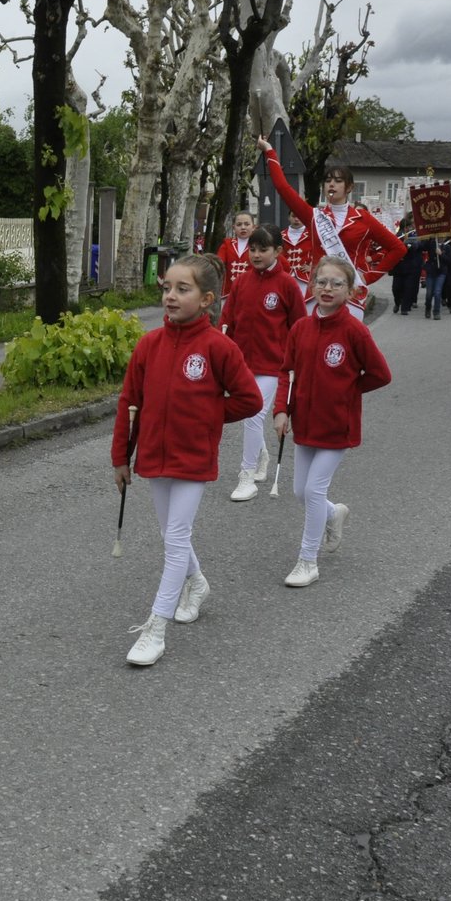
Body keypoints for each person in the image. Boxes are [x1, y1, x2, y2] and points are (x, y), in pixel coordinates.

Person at [112, 255, 262, 667]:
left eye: (183, 289)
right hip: (153, 457)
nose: (171, 296)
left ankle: (155, 629)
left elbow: (250, 399)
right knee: (170, 536)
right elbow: (129, 402)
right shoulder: (149, 345)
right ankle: (196, 584)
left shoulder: (219, 348)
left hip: (194, 458)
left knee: (175, 540)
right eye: (167, 288)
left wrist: (209, 417)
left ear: (207, 299)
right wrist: (121, 457)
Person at [272, 255, 392, 588]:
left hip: (337, 425)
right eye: (321, 282)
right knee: (300, 491)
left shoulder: (354, 330)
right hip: (304, 424)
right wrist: (281, 409)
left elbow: (381, 374)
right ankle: (332, 513)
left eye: (336, 283)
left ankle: (307, 561)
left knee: (312, 490)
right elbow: (286, 371)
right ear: (311, 286)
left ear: (350, 291)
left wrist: (347, 391)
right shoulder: (300, 328)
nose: (327, 288)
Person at [257, 136, 405, 320]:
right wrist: (269, 150)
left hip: (350, 291)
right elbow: (282, 187)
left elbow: (398, 248)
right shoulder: (313, 217)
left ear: (349, 187)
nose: (331, 184)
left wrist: (369, 277)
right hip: (318, 293)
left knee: (346, 346)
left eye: (338, 181)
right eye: (327, 181)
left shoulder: (364, 219)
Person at [220, 225, 306, 501]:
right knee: (251, 418)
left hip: (274, 366)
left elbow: (300, 328)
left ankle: (246, 477)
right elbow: (227, 321)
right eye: (253, 249)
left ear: (278, 251)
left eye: (263, 250)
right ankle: (261, 455)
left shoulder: (287, 285)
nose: (256, 255)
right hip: (243, 363)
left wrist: (297, 365)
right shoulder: (242, 282)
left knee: (253, 415)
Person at [215, 211, 257, 295]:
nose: (243, 227)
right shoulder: (227, 244)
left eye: (247, 224)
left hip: (252, 292)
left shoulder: (258, 245)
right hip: (228, 292)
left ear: (253, 227)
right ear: (233, 228)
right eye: (239, 225)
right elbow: (217, 262)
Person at [390, 216, 422, 315]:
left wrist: (409, 244)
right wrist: (401, 243)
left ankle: (404, 308)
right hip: (398, 267)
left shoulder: (413, 236)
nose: (408, 229)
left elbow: (416, 247)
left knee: (408, 288)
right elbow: (391, 247)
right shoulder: (396, 236)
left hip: (409, 266)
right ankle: (397, 303)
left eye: (409, 227)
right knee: (396, 288)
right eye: (407, 227)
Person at [280, 211, 313, 306]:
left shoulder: (312, 234)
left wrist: (314, 266)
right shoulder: (281, 235)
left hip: (304, 277)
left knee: (304, 305)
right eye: (293, 216)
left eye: (299, 216)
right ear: (288, 217)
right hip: (285, 276)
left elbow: (321, 252)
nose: (297, 219)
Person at [419, 231, 449, 320]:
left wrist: (441, 254)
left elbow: (449, 261)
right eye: (440, 235)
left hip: (441, 272)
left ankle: (436, 312)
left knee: (437, 292)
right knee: (429, 293)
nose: (442, 237)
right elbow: (423, 247)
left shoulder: (447, 247)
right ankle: (428, 308)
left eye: (443, 236)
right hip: (431, 271)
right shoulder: (432, 243)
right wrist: (430, 237)